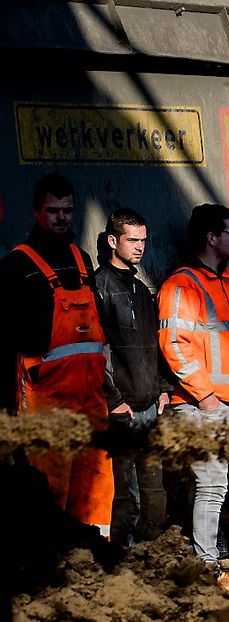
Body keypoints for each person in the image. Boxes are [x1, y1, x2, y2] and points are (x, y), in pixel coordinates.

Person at [0, 173, 113, 531]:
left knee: (96, 486)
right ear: (36, 211)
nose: (62, 217)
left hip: (91, 400)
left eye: (67, 210)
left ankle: (97, 562)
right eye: (54, 211)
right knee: (49, 488)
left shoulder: (82, 260)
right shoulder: (17, 267)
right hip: (46, 405)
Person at [157, 204, 229, 597]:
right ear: (211, 238)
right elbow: (173, 344)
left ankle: (210, 559)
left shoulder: (225, 282)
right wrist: (207, 397)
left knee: (218, 485)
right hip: (207, 404)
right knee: (211, 485)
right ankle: (206, 570)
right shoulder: (183, 285)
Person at [94, 208, 169, 548]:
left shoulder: (140, 288)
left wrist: (161, 389)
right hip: (121, 410)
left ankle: (146, 563)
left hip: (150, 404)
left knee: (154, 494)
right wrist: (114, 400)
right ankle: (122, 570)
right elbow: (99, 350)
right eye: (132, 240)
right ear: (113, 241)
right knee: (124, 497)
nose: (140, 247)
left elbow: (152, 343)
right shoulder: (99, 286)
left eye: (143, 240)